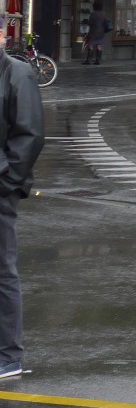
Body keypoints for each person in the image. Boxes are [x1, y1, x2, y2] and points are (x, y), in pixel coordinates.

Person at [0, 30, 47, 380]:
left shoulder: (17, 73)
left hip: (0, 190)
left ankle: (8, 357)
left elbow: (30, 135)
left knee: (2, 272)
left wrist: (6, 183)